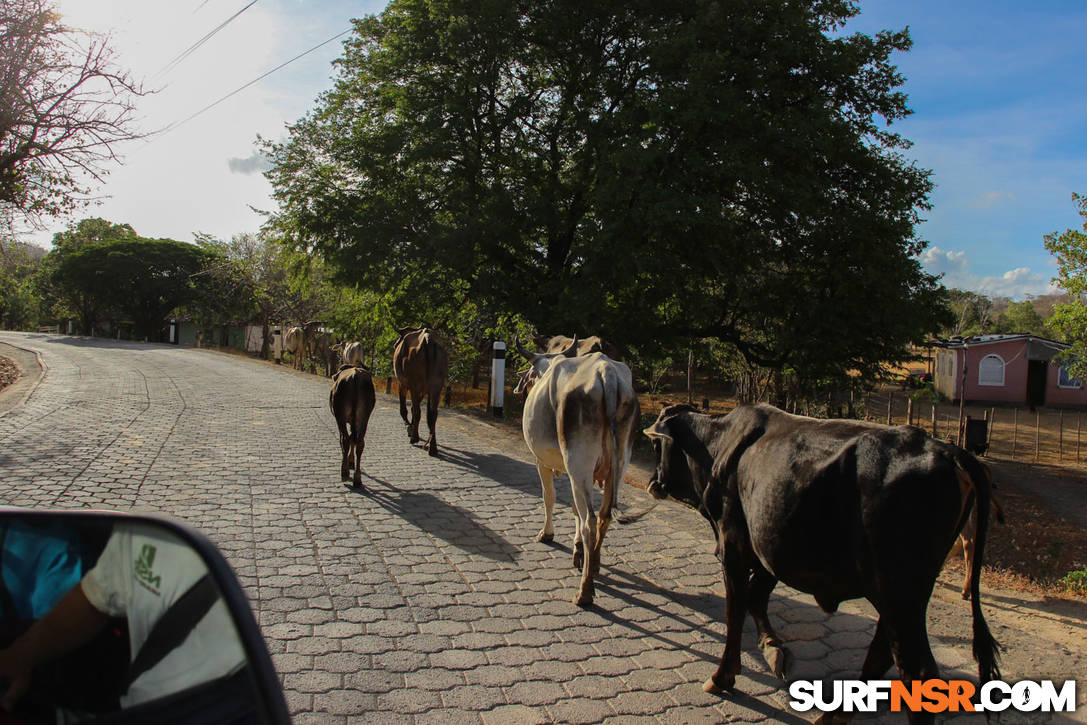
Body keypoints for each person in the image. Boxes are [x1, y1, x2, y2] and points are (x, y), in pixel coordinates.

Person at [0, 522, 252, 722]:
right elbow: (97, 596)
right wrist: (20, 657)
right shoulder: (139, 526)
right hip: (140, 708)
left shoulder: (148, 523)